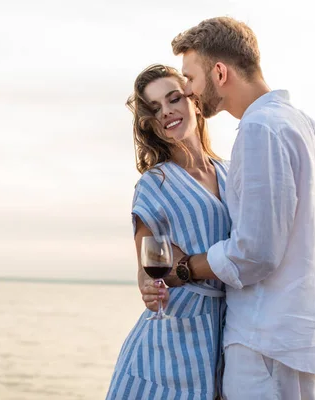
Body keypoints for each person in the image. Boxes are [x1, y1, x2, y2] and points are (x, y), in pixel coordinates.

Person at [161, 17, 315, 399]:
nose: (190, 93)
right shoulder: (307, 127)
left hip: (268, 341)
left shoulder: (260, 128)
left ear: (219, 72)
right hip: (305, 337)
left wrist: (184, 267)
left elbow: (256, 251)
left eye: (191, 79)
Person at [105, 64, 231, 400]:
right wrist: (150, 289)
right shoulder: (154, 184)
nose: (167, 112)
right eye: (155, 109)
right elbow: (148, 269)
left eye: (174, 99)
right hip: (167, 347)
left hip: (228, 339)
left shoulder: (233, 174)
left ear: (195, 102)